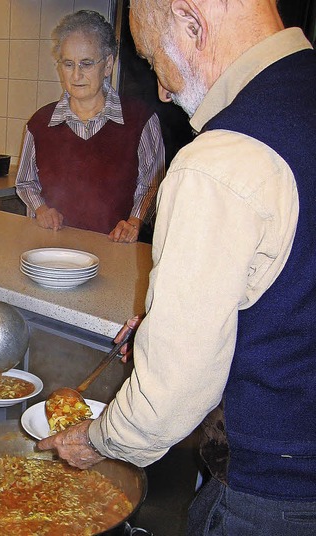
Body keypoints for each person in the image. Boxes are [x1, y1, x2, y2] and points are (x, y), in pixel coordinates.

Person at [38, 1, 316, 534]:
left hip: (272, 494)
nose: (162, 90)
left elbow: (171, 395)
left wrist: (95, 440)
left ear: (191, 24)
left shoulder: (220, 160)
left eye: (152, 58)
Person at [15, 9, 165, 243]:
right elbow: (25, 182)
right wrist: (41, 209)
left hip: (116, 249)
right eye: (68, 64)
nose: (76, 75)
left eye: (86, 64)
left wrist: (134, 222)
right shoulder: (39, 123)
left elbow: (152, 185)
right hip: (55, 249)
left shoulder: (140, 120)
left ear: (107, 65)